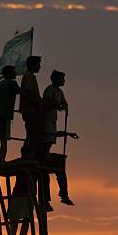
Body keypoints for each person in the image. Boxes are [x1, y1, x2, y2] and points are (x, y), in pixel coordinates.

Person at [41, 70, 78, 211]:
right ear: (56, 79)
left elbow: (64, 103)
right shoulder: (49, 90)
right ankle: (46, 200)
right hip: (44, 141)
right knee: (44, 171)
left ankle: (64, 194)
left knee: (60, 164)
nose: (64, 81)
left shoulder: (58, 92)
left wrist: (68, 133)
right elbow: (48, 103)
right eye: (63, 79)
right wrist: (58, 106)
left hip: (51, 128)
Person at [0, 65, 20, 164]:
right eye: (14, 72)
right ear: (10, 73)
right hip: (4, 115)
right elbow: (21, 92)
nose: (16, 73)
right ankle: (2, 160)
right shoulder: (12, 83)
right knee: (3, 139)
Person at [19, 55, 42, 159]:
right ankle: (27, 152)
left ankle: (29, 152)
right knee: (32, 132)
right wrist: (37, 101)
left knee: (33, 132)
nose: (40, 67)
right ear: (33, 65)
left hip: (31, 109)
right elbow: (27, 93)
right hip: (30, 110)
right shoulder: (28, 76)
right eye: (38, 64)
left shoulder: (30, 76)